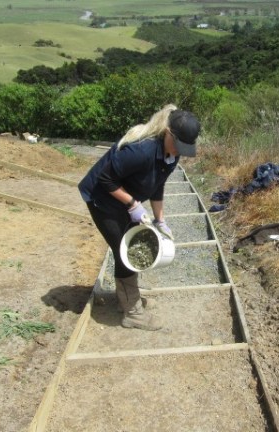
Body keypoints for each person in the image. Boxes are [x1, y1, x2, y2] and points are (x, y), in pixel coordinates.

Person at [78, 104, 201, 331]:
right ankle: (132, 313)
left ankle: (126, 298)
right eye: (178, 146)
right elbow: (105, 179)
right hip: (102, 198)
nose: (179, 152)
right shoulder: (141, 150)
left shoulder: (171, 155)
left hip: (122, 198)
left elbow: (157, 185)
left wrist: (160, 220)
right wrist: (133, 204)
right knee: (126, 251)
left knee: (129, 246)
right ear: (168, 133)